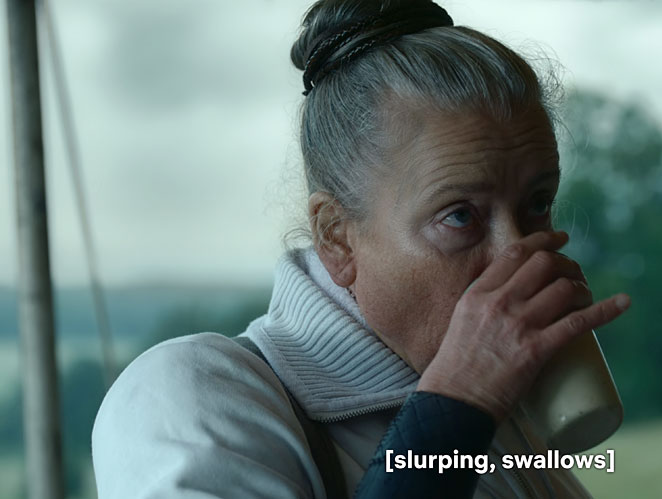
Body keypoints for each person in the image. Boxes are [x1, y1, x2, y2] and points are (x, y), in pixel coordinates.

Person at [91, 0, 631, 497]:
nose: (522, 255)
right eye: (460, 216)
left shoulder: (508, 431)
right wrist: (458, 404)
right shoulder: (190, 396)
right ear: (336, 238)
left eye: (537, 203)